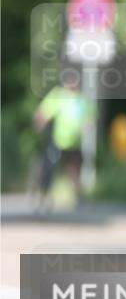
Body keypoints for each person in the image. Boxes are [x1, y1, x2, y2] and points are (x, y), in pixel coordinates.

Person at [33, 73, 96, 204]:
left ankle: (78, 197)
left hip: (74, 142)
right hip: (58, 140)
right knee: (49, 168)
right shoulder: (58, 96)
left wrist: (87, 125)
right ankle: (43, 194)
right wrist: (39, 124)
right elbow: (43, 112)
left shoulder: (83, 100)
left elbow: (90, 117)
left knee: (75, 169)